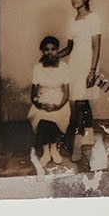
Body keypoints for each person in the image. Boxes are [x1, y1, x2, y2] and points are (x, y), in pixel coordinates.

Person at [56, 0, 102, 164]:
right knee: (81, 103)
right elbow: (68, 48)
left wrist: (92, 70)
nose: (74, 0)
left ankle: (77, 145)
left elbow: (97, 46)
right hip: (75, 64)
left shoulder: (94, 17)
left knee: (81, 104)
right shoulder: (72, 20)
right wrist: (53, 56)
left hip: (88, 64)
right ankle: (87, 138)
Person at [28, 36, 71, 174]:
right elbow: (33, 94)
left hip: (59, 98)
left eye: (53, 49)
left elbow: (66, 94)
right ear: (42, 51)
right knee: (42, 115)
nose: (50, 52)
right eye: (46, 50)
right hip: (43, 98)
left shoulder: (64, 67)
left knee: (57, 114)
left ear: (57, 50)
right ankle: (46, 151)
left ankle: (54, 148)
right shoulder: (38, 68)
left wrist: (57, 106)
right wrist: (40, 104)